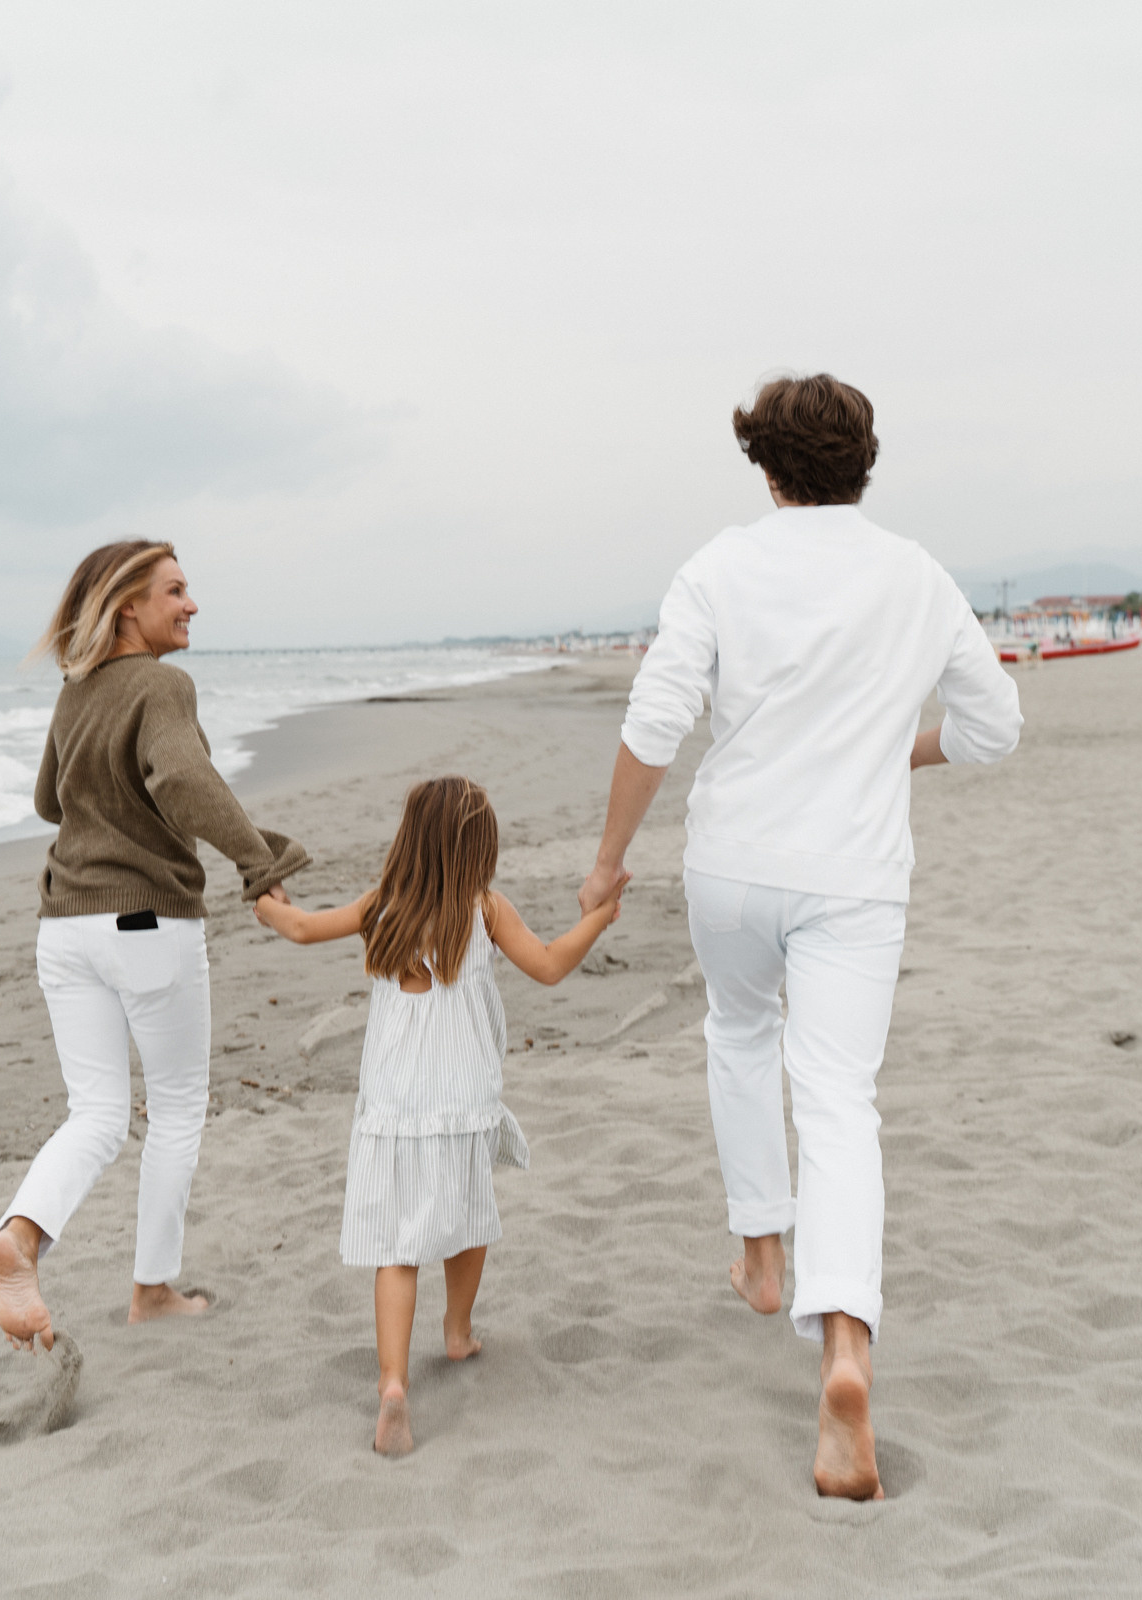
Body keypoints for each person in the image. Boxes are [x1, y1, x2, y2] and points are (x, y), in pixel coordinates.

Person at [578, 374, 1021, 1499]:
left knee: (738, 1035)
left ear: (765, 466)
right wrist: (895, 754)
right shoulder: (915, 575)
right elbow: (995, 728)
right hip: (854, 879)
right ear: (863, 462)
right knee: (838, 1101)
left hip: (732, 866)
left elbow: (656, 722)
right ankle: (846, 1351)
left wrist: (607, 855)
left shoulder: (720, 566)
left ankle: (761, 1249)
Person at [0, 540, 310, 1352]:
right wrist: (257, 860)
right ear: (129, 605)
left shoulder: (76, 693)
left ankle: (21, 1238)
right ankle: (152, 1289)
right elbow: (182, 780)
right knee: (174, 1109)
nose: (191, 603)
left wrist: (107, 799)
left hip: (63, 927)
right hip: (146, 928)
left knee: (94, 1114)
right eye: (175, 590)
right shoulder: (164, 685)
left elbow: (46, 801)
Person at [255, 775, 622, 1456]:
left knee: (397, 1250)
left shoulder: (382, 908)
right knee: (466, 1215)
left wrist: (270, 905)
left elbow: (303, 928)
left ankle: (393, 1382)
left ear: (410, 841)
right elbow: (547, 966)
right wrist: (598, 919)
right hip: (461, 1102)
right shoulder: (484, 911)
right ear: (479, 848)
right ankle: (456, 1331)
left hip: (393, 1107)